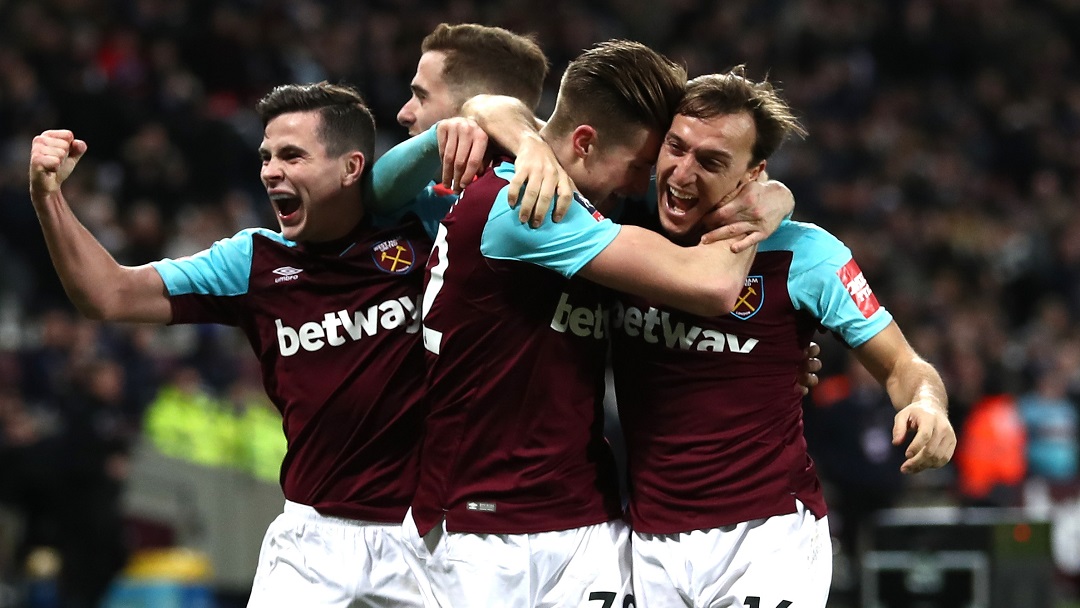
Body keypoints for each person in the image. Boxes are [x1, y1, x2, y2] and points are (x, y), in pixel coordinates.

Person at [27, 82, 456, 607]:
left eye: (292, 155)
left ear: (351, 168)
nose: (271, 171)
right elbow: (109, 295)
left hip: (427, 541)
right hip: (312, 544)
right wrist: (47, 196)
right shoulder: (251, 262)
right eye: (267, 156)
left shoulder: (426, 226)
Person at [403, 40, 795, 608]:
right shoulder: (524, 203)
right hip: (478, 524)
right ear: (585, 142)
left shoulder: (592, 199)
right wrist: (757, 210)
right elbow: (711, 285)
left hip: (583, 517)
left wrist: (777, 192)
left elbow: (509, 112)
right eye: (640, 166)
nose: (646, 185)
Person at [604, 69, 956, 608]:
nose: (681, 172)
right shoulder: (617, 230)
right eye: (676, 148)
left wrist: (928, 404)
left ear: (754, 175)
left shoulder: (807, 255)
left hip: (766, 539)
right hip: (646, 538)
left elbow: (903, 366)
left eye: (712, 161)